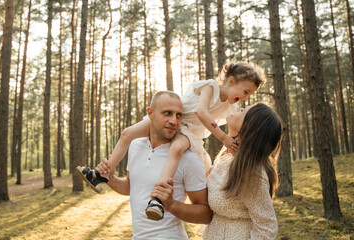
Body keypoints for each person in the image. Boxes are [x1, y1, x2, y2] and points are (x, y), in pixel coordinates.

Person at [77, 62, 266, 220]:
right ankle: (101, 173)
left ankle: (157, 198)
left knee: (176, 150)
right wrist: (223, 137)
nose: (245, 98)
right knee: (127, 133)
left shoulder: (231, 108)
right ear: (231, 81)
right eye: (245, 91)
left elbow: (238, 126)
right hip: (175, 119)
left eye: (249, 95)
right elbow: (202, 112)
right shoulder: (211, 87)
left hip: (189, 132)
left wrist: (240, 142)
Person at [151, 103, 282, 239]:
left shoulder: (252, 175)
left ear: (247, 129)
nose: (237, 108)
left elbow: (267, 228)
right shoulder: (228, 155)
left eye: (242, 110)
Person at [96, 91, 212, 239]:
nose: (174, 121)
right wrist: (110, 178)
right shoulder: (135, 145)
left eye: (178, 115)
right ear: (150, 113)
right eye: (167, 113)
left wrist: (171, 204)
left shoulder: (188, 158)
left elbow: (205, 214)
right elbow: (132, 187)